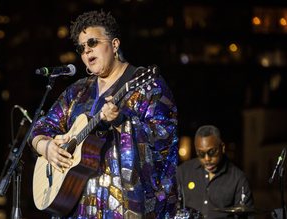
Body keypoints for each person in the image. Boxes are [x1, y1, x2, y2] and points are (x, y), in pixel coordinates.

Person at [30, 10, 178, 218]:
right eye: (82, 48)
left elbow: (164, 141)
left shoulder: (147, 85)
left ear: (115, 44)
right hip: (76, 206)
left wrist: (122, 121)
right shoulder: (78, 91)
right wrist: (45, 146)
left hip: (123, 207)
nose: (87, 52)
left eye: (93, 43)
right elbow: (41, 126)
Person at [176, 125, 254, 219]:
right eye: (201, 154)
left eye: (212, 152)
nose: (207, 159)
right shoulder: (182, 172)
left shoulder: (238, 178)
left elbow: (247, 214)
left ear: (222, 147)